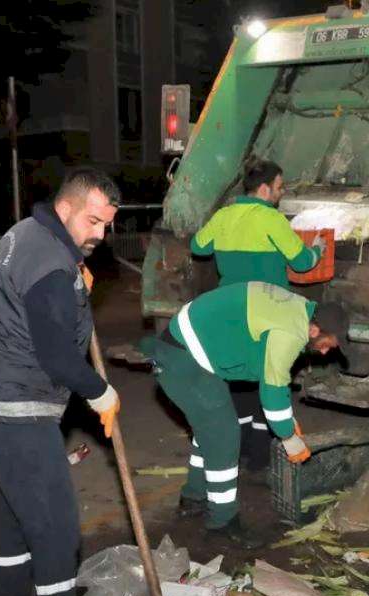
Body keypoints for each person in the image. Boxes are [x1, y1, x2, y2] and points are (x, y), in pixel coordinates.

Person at [0, 168, 121, 596]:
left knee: (13, 521)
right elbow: (55, 356)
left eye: (107, 225)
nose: (100, 234)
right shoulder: (51, 264)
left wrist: (73, 291)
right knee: (55, 528)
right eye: (93, 221)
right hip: (17, 407)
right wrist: (100, 391)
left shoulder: (27, 233)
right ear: (66, 207)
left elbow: (34, 302)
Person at [140, 281, 348, 549]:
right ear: (314, 329)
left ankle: (193, 498)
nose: (324, 351)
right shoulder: (290, 333)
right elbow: (272, 392)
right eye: (326, 344)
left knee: (210, 428)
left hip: (185, 345)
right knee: (224, 435)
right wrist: (289, 437)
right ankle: (222, 524)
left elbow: (271, 374)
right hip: (185, 357)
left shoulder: (297, 309)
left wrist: (288, 421)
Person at [190, 159, 326, 473]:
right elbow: (303, 262)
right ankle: (260, 460)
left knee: (237, 382)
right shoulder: (272, 220)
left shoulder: (224, 215)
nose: (281, 193)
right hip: (268, 315)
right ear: (264, 189)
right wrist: (317, 247)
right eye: (279, 187)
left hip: (232, 314)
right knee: (269, 379)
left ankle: (234, 453)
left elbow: (198, 246)